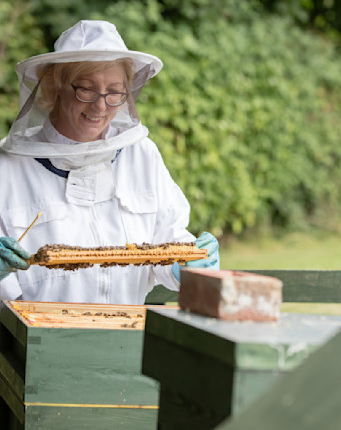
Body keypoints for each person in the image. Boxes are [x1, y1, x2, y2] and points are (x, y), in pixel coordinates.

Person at [0, 20, 220, 304]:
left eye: (114, 91)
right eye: (87, 89)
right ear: (56, 87)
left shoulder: (142, 154)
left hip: (127, 337)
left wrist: (188, 262)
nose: (100, 106)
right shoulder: (7, 166)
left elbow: (168, 234)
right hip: (40, 339)